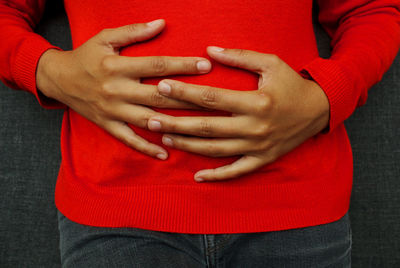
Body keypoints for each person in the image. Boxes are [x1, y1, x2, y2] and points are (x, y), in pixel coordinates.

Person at [0, 0, 399, 267]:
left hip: (296, 207)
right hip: (114, 211)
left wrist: (326, 97)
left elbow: (374, 10)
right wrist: (50, 71)